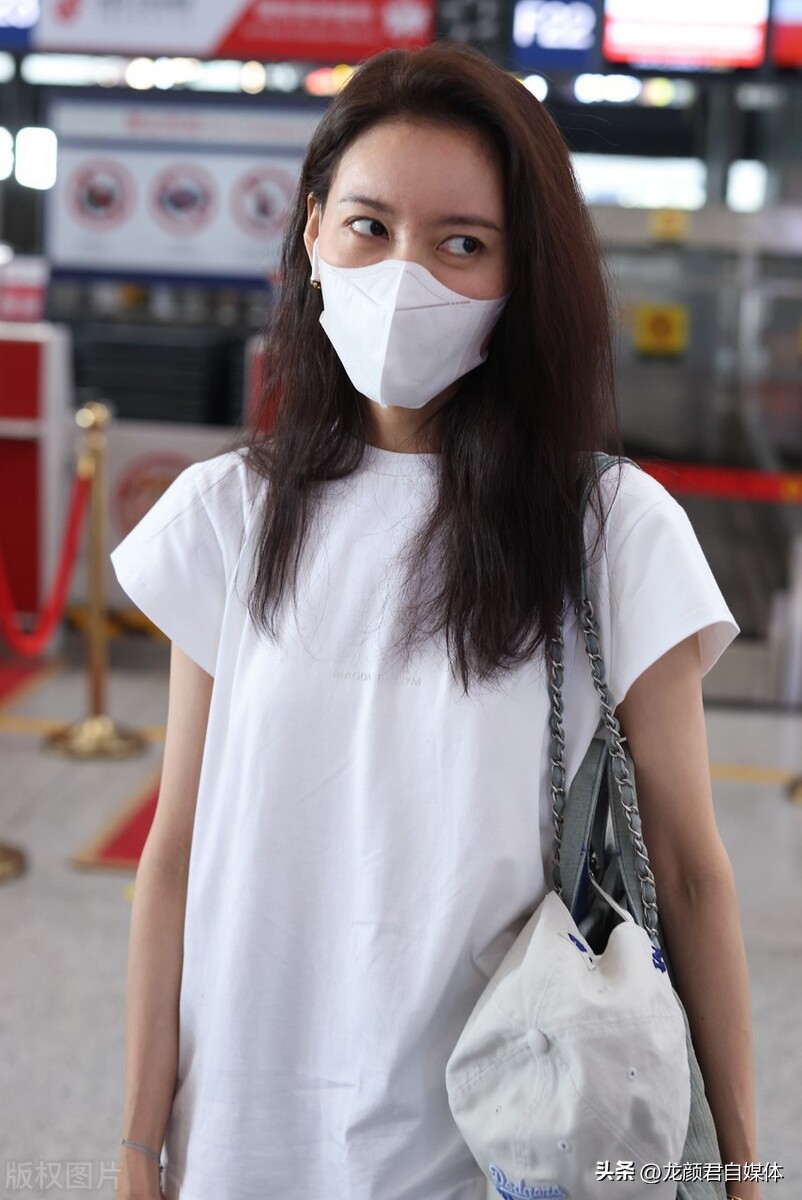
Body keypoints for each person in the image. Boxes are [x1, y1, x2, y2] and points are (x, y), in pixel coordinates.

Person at [111, 40, 760, 1200]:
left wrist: (743, 1163)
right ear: (312, 232)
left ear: (524, 277)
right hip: (250, 1137)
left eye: (462, 243)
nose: (406, 273)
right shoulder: (228, 517)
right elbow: (176, 856)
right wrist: (134, 1141)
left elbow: (691, 872)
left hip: (508, 1144)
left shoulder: (609, 527)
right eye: (369, 226)